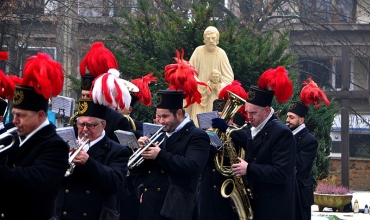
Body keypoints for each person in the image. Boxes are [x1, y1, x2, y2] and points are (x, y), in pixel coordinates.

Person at [213, 66, 296, 220]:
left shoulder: (281, 133)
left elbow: (282, 173)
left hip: (275, 209)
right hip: (257, 204)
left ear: (266, 110)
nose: (248, 117)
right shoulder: (253, 127)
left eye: (253, 113)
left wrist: (249, 169)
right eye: (247, 112)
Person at [0, 52, 69, 219]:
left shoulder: (55, 146)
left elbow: (30, 181)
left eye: (21, 116)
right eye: (14, 114)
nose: (14, 120)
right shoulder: (11, 135)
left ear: (40, 115)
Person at [134, 90, 210, 220]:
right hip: (150, 206)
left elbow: (192, 166)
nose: (160, 121)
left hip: (175, 208)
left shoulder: (197, 135)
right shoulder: (160, 134)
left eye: (165, 116)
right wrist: (141, 151)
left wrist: (159, 155)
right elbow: (144, 171)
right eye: (158, 116)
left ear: (179, 113)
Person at [56, 98, 130, 219]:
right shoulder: (67, 144)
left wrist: (88, 162)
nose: (84, 129)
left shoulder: (117, 151)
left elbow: (114, 184)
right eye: (81, 124)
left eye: (90, 125)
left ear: (103, 125)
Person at [199, 80, 248, 220]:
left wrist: (227, 129)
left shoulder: (238, 132)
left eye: (224, 115)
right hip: (207, 191)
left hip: (227, 187)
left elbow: (247, 143)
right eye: (218, 115)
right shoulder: (204, 133)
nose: (222, 118)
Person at [286, 77, 330, 220]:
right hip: (287, 190)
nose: (287, 120)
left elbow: (298, 164)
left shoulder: (309, 140)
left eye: (291, 117)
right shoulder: (287, 135)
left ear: (301, 120)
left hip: (300, 191)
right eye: (287, 117)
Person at [70, 42, 131, 143]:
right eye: (83, 95)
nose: (84, 99)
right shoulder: (78, 117)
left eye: (88, 95)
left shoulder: (118, 120)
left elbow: (122, 151)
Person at [187, 26, 234, 125]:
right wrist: (201, 86)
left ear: (217, 40)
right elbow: (189, 72)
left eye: (213, 38)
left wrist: (218, 83)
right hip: (200, 96)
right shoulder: (198, 51)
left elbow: (229, 78)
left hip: (214, 96)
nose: (211, 41)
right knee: (197, 124)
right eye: (208, 38)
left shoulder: (221, 54)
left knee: (212, 126)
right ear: (204, 40)